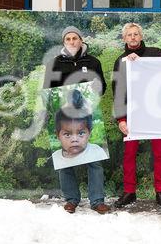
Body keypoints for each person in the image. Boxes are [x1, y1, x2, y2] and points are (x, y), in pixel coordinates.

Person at [43, 26, 109, 214]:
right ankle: (71, 199)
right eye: (68, 39)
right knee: (66, 160)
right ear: (64, 42)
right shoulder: (54, 63)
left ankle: (97, 200)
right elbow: (48, 90)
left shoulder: (93, 62)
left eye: (75, 38)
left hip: (86, 115)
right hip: (63, 116)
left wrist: (93, 88)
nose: (72, 41)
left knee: (94, 159)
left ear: (81, 40)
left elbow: (101, 87)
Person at [112, 22, 161, 209]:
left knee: (159, 153)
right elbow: (118, 91)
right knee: (129, 155)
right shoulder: (120, 61)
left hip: (155, 113)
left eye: (136, 34)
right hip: (132, 114)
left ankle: (160, 192)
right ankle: (129, 192)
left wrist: (144, 63)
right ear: (124, 38)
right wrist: (121, 119)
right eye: (129, 35)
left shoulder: (156, 53)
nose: (133, 37)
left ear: (141, 36)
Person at [52, 90, 109, 170]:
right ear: (58, 136)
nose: (74, 139)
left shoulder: (96, 152)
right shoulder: (55, 158)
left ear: (89, 133)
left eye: (81, 133)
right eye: (67, 134)